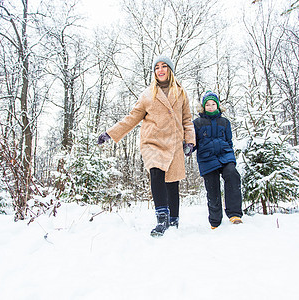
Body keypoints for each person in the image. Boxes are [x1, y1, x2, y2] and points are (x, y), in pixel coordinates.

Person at [97, 55, 195, 237]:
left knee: (172, 182)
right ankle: (162, 218)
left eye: (164, 66)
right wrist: (110, 133)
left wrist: (189, 141)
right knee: (156, 172)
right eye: (157, 67)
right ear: (154, 72)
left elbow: (187, 119)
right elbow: (132, 118)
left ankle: (174, 219)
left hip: (173, 143)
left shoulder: (181, 93)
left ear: (170, 70)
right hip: (153, 142)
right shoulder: (148, 95)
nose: (160, 70)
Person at [193, 91, 243, 229]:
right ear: (203, 107)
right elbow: (193, 142)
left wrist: (230, 155)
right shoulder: (197, 123)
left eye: (213, 104)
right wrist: (188, 148)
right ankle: (215, 221)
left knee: (232, 174)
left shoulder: (225, 122)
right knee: (212, 187)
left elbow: (229, 140)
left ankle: (234, 214)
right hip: (207, 158)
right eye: (207, 104)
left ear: (218, 105)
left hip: (225, 156)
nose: (210, 106)